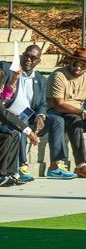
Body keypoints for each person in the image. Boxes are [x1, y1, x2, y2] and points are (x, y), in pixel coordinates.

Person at [0, 44, 75, 180]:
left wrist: (41, 115)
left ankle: (55, 167)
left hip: (31, 117)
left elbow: (42, 103)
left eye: (33, 58)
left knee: (57, 120)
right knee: (22, 121)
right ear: (22, 55)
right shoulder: (6, 68)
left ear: (38, 61)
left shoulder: (40, 79)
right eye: (26, 55)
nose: (28, 59)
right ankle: (21, 167)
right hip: (9, 117)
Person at [46, 48, 86, 178]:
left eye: (83, 66)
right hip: (56, 113)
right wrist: (82, 112)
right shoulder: (59, 75)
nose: (78, 68)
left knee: (76, 119)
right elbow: (59, 105)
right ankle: (81, 165)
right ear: (70, 62)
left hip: (79, 113)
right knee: (75, 120)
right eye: (76, 64)